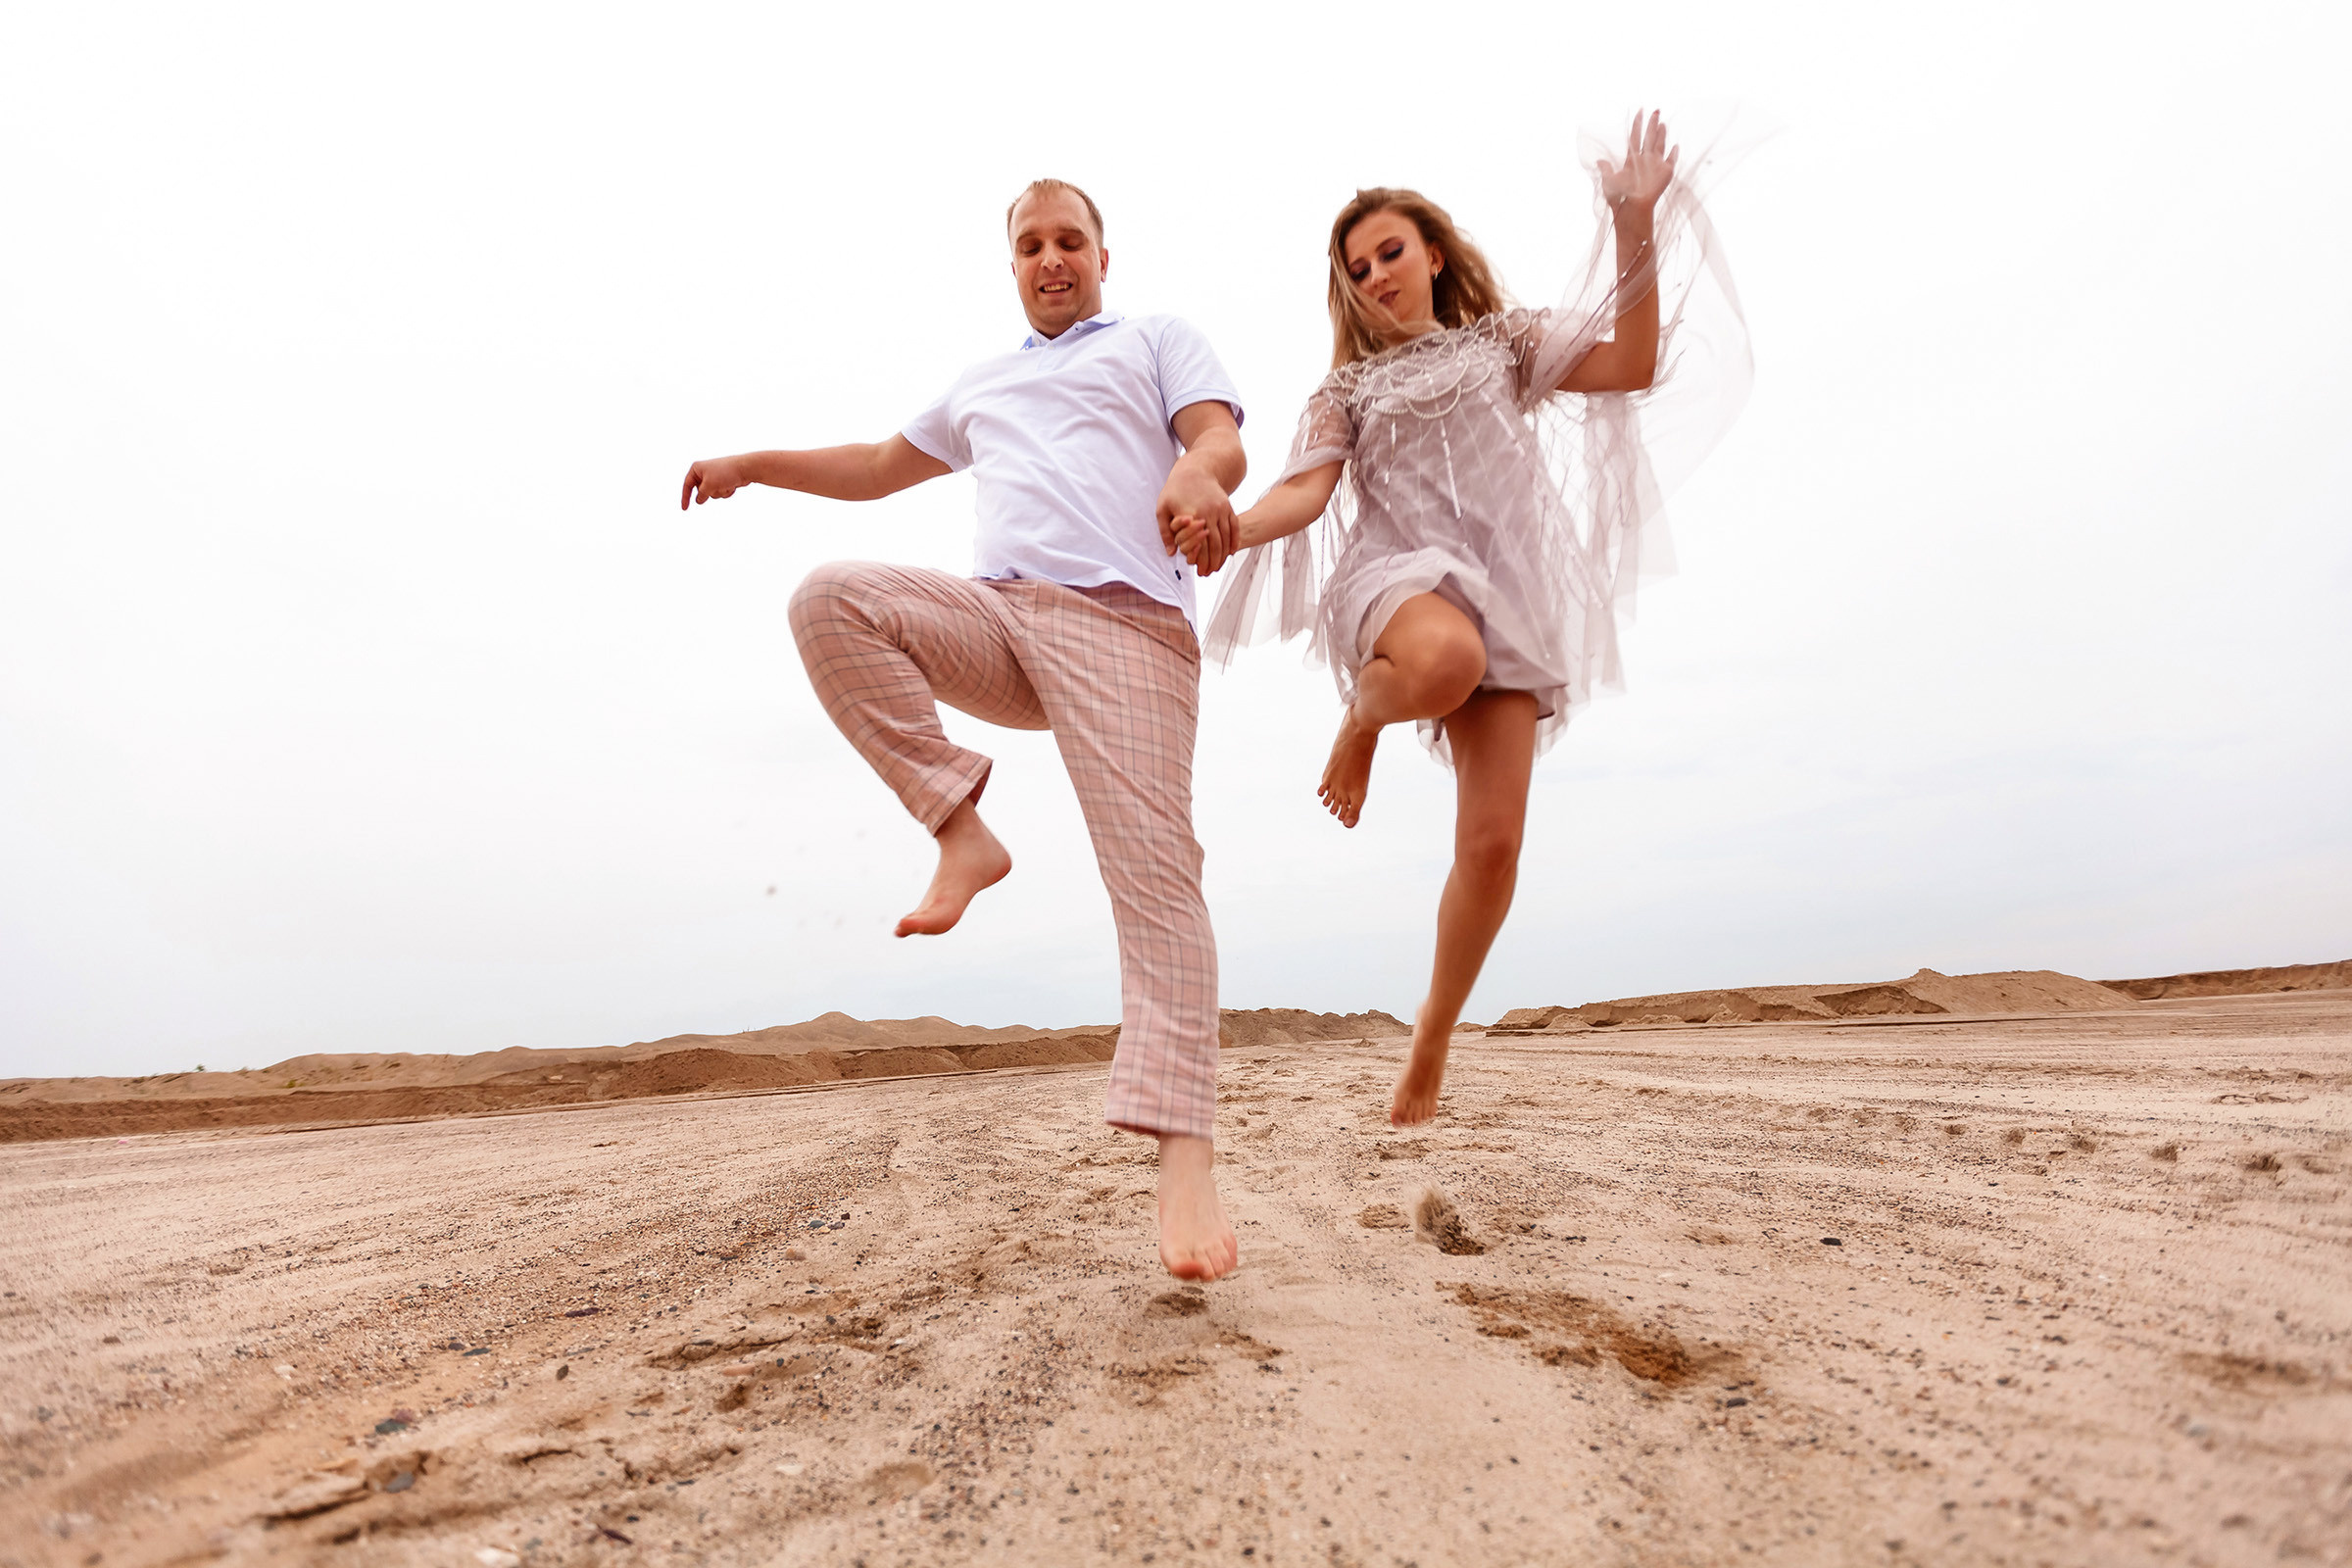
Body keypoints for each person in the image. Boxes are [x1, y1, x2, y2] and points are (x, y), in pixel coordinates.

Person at [680, 179, 1249, 1280]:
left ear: (1101, 254)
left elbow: (1218, 438)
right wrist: (755, 464)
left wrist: (1193, 473)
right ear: (1012, 264)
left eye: (1069, 241)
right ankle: (959, 823)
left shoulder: (1154, 339)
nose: (1051, 259)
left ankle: (1185, 1153)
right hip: (999, 615)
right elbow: (879, 466)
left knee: (1154, 875)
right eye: (1030, 245)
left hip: (1124, 628)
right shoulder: (984, 384)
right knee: (831, 597)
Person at [1175, 112, 1750, 1127]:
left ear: (1433, 254)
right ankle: (1363, 716)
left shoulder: (1505, 341)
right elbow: (1303, 495)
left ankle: (1431, 1040)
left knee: (1491, 847)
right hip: (1400, 582)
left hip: (1512, 595)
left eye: (1389, 253)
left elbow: (1632, 362)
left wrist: (1632, 221)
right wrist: (1233, 525)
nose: (1375, 277)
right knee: (1442, 657)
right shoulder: (1344, 389)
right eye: (1356, 269)